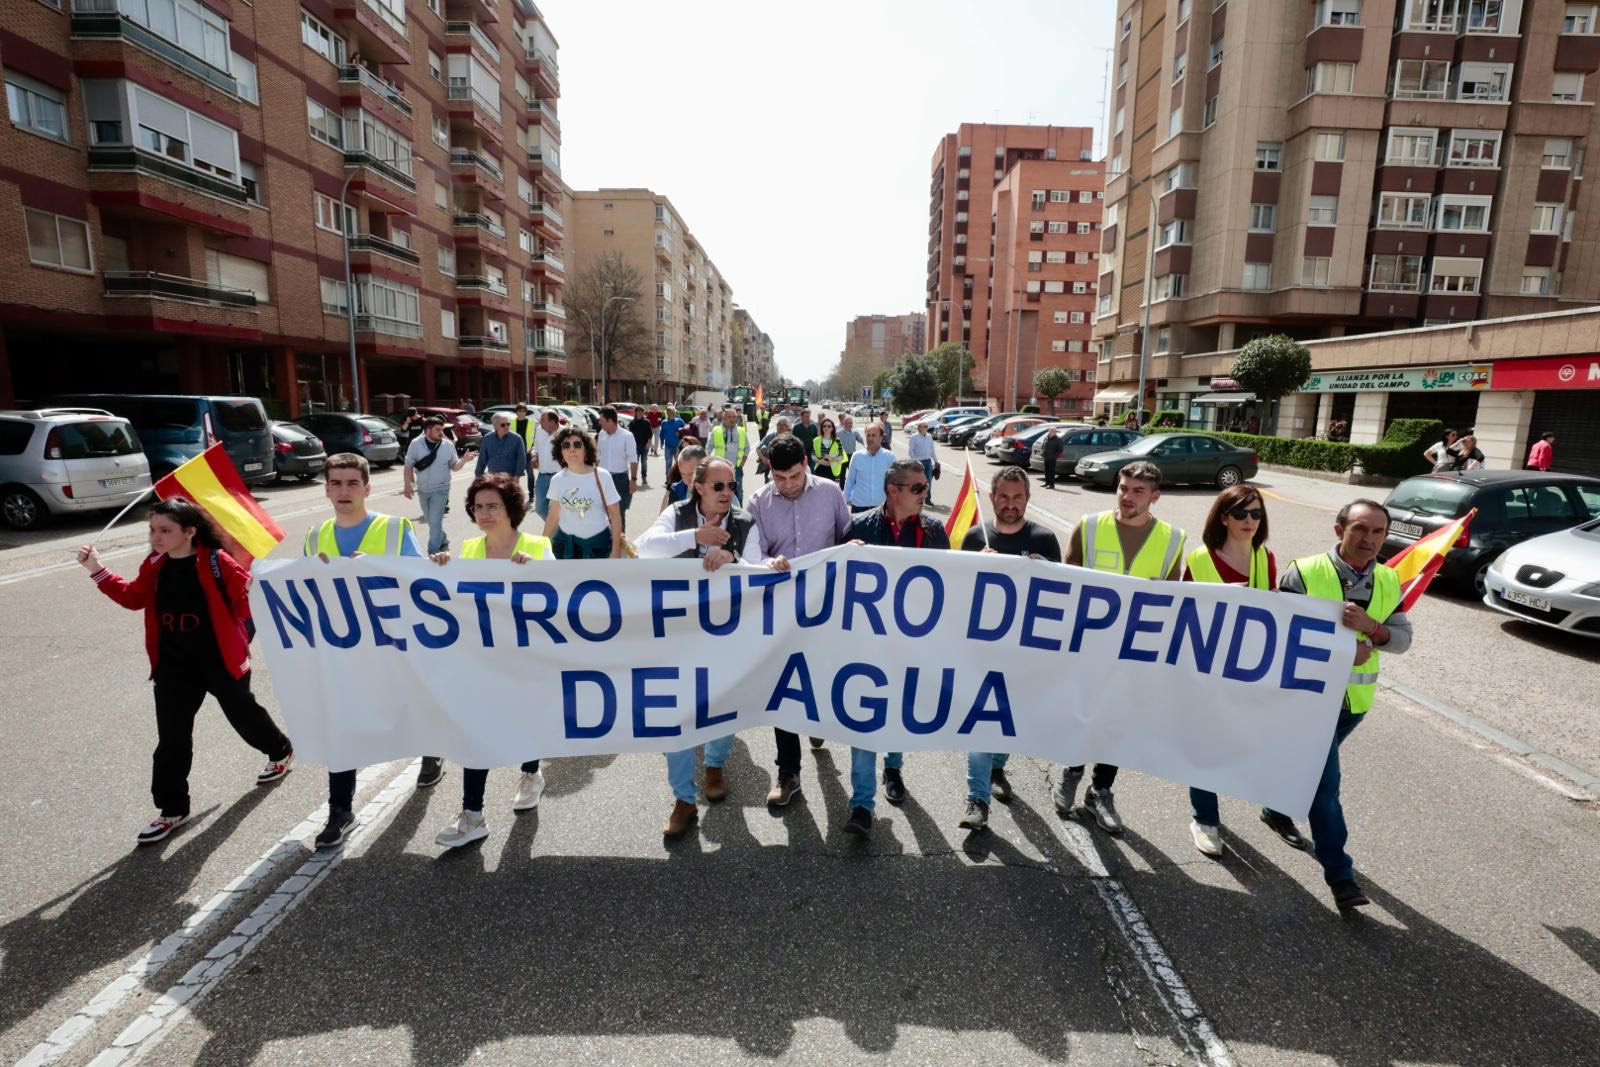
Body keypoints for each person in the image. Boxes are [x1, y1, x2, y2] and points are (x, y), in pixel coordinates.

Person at [78, 499, 294, 845]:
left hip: (219, 660)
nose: (156, 537)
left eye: (165, 530)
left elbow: (244, 607)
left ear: (189, 532)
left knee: (243, 715)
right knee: (172, 739)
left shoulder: (217, 561)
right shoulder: (155, 564)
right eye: (153, 529)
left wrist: (255, 591)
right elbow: (134, 597)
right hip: (174, 665)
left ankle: (280, 750)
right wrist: (96, 569)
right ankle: (172, 810)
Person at [1270, 500, 1411, 912]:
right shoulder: (1305, 572)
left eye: (1378, 532)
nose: (1369, 540)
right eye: (1360, 529)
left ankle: (1275, 807)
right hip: (1309, 701)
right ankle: (1340, 875)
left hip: (1354, 703)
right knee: (1325, 786)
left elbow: (1402, 640)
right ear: (1339, 530)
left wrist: (1374, 630)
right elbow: (1279, 637)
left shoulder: (1388, 579)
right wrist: (1338, 654)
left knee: (1310, 772)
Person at [306, 453, 440, 849]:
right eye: (336, 483)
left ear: (366, 488)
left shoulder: (395, 529)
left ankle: (431, 750)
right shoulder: (315, 535)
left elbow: (422, 583)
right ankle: (340, 809)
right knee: (341, 726)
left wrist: (378, 566)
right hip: (344, 650)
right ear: (327, 488)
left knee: (410, 707)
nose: (343, 491)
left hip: (394, 644)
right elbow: (303, 589)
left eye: (352, 483)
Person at [634, 457, 765, 836]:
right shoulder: (677, 515)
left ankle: (715, 764)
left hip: (725, 634)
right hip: (676, 634)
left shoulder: (745, 522)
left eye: (731, 485)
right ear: (699, 487)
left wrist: (733, 558)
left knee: (721, 702)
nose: (727, 493)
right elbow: (643, 548)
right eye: (718, 486)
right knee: (675, 715)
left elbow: (757, 566)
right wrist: (694, 537)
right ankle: (683, 799)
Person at [1054, 460, 1186, 834]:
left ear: (1155, 497)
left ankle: (1100, 791)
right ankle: (1072, 769)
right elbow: (1068, 581)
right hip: (1091, 647)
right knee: (1085, 715)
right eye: (1123, 488)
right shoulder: (1089, 526)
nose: (1127, 496)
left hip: (1135, 650)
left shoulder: (1173, 538)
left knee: (1118, 724)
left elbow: (1171, 594)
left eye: (1138, 491)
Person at [429, 474, 553, 848]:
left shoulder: (538, 544)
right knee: (476, 731)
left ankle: (531, 772)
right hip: (481, 659)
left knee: (524, 719)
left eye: (492, 506)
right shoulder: (467, 550)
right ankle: (472, 814)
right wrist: (440, 567)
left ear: (510, 508)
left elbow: (561, 595)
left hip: (526, 656)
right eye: (478, 507)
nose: (484, 513)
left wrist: (535, 569)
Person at [842, 457, 950, 837]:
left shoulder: (935, 532)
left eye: (925, 488)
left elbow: (952, 585)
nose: (926, 494)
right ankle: (861, 805)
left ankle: (894, 766)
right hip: (868, 647)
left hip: (912, 646)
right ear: (893, 490)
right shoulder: (858, 528)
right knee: (865, 721)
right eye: (918, 488)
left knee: (899, 712)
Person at [748, 433, 854, 805]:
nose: (788, 485)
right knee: (784, 688)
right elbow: (752, 553)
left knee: (822, 679)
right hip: (780, 611)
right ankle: (788, 772)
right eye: (780, 478)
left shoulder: (830, 493)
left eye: (794, 476)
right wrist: (767, 563)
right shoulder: (758, 501)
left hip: (825, 609)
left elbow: (847, 541)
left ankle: (817, 721)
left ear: (806, 464)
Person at [956, 467, 1059, 832]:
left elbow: (1060, 597)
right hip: (982, 652)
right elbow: (955, 598)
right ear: (991, 497)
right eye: (1003, 496)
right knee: (982, 724)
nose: (1010, 504)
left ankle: (998, 765)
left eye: (1018, 498)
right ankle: (977, 799)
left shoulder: (1045, 540)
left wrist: (1041, 570)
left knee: (1009, 723)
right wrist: (976, 567)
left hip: (1024, 654)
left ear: (1027, 500)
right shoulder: (972, 538)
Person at [1180, 485, 1278, 858]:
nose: (1249, 521)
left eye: (1256, 514)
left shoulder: (1264, 558)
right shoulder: (1201, 559)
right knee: (1205, 747)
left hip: (1246, 672)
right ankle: (1204, 818)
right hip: (1206, 671)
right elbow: (1186, 618)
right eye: (1241, 514)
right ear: (1223, 517)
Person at [543, 427, 624, 559]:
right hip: (566, 549)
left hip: (600, 547)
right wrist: (542, 546)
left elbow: (615, 515)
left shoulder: (602, 476)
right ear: (561, 452)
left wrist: (615, 549)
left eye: (577, 444)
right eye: (566, 445)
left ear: (586, 450)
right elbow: (553, 517)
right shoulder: (557, 480)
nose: (572, 449)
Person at [403, 417, 474, 555]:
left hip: (441, 489)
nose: (441, 432)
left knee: (435, 521)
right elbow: (408, 465)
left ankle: (433, 551)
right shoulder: (416, 444)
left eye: (442, 429)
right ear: (428, 430)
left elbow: (454, 467)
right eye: (438, 430)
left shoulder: (448, 445)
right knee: (431, 522)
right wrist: (407, 485)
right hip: (423, 489)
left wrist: (464, 460)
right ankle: (443, 539)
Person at [596, 406, 639, 532]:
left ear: (610, 421)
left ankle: (620, 541)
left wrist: (633, 480)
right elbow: (598, 457)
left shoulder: (627, 436)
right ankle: (606, 541)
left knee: (618, 512)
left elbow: (633, 459)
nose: (599, 422)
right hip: (602, 478)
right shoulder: (601, 434)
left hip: (619, 479)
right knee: (602, 510)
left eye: (601, 420)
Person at [709, 407, 751, 504]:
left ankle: (739, 513)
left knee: (738, 492)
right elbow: (709, 447)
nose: (732, 419)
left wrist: (743, 462)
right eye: (729, 417)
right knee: (720, 492)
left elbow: (747, 448)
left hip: (737, 468)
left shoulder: (741, 431)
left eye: (734, 417)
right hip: (720, 468)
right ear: (724, 419)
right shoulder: (716, 430)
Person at [475, 412, 529, 486]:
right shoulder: (488, 438)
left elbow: (521, 459)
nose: (506, 427)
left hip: (510, 480)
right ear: (495, 426)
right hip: (493, 479)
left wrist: (517, 477)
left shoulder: (516, 438)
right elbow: (482, 459)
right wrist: (478, 476)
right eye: (503, 425)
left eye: (508, 424)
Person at [529, 409, 561, 522]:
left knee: (563, 509)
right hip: (542, 476)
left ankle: (557, 533)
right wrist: (534, 456)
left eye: (542, 420)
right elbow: (535, 448)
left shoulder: (565, 433)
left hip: (560, 477)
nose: (539, 422)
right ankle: (555, 529)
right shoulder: (539, 430)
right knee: (540, 509)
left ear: (552, 422)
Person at [661, 445, 706, 511]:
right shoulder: (676, 490)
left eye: (692, 474)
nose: (687, 480)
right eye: (683, 474)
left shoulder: (717, 490)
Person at [907, 421, 937, 504]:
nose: (925, 428)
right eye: (924, 426)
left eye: (926, 427)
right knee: (918, 482)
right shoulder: (914, 437)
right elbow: (911, 451)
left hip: (928, 461)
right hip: (918, 462)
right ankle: (917, 499)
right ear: (919, 427)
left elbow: (932, 450)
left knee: (928, 481)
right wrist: (916, 461)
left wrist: (936, 461)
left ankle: (927, 499)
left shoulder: (929, 436)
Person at [811, 416, 846, 486]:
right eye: (824, 426)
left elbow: (841, 457)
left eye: (829, 426)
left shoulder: (837, 441)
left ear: (832, 428)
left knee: (831, 491)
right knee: (820, 491)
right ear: (822, 428)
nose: (826, 428)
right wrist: (820, 461)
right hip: (819, 470)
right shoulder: (816, 440)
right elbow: (813, 455)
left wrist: (832, 459)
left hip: (833, 471)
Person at [660, 405, 688, 476]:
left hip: (678, 446)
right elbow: (662, 433)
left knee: (678, 463)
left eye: (673, 413)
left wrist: (680, 432)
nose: (672, 414)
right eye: (670, 413)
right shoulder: (664, 422)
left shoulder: (680, 421)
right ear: (667, 414)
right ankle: (668, 478)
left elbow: (686, 430)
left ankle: (678, 478)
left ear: (675, 413)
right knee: (668, 463)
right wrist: (661, 442)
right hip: (668, 446)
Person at [1042, 425, 1064, 490]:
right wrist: (1043, 452)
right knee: (1046, 471)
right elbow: (1043, 446)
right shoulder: (1046, 438)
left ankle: (1052, 485)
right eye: (1051, 431)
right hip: (1046, 457)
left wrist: (1055, 455)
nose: (1052, 432)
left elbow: (1060, 449)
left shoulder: (1058, 439)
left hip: (1052, 458)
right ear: (1049, 431)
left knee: (1051, 472)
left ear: (1055, 432)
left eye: (1053, 431)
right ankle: (1047, 483)